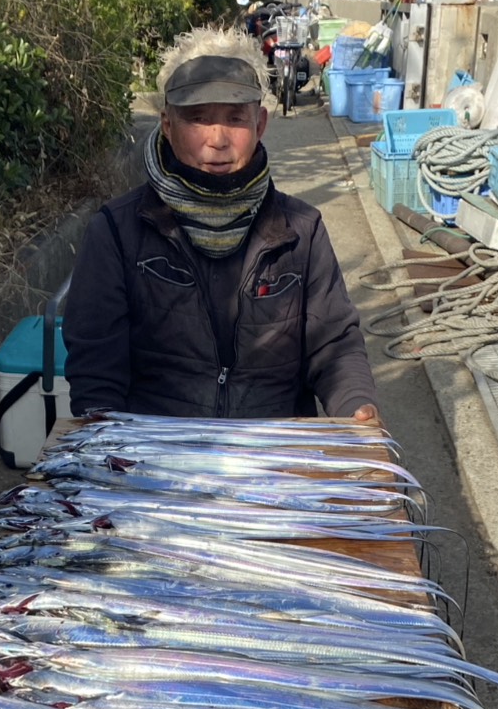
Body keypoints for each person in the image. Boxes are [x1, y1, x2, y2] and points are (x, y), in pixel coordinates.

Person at [62, 27, 380, 424]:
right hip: (158, 445)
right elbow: (95, 368)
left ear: (260, 123)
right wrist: (105, 434)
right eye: (197, 118)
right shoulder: (116, 231)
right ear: (167, 125)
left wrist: (356, 407)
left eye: (235, 118)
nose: (217, 140)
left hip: (273, 445)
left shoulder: (303, 230)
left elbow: (335, 346)